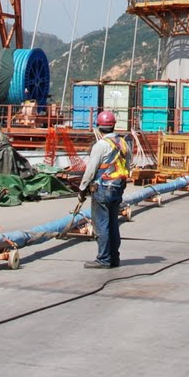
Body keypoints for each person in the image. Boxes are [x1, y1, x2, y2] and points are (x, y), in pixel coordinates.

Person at [77, 110, 132, 269]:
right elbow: (128, 166)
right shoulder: (123, 143)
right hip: (118, 187)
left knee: (101, 224)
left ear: (98, 128)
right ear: (113, 125)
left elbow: (91, 170)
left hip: (103, 189)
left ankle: (104, 259)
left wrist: (82, 189)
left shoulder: (101, 145)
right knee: (113, 223)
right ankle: (114, 258)